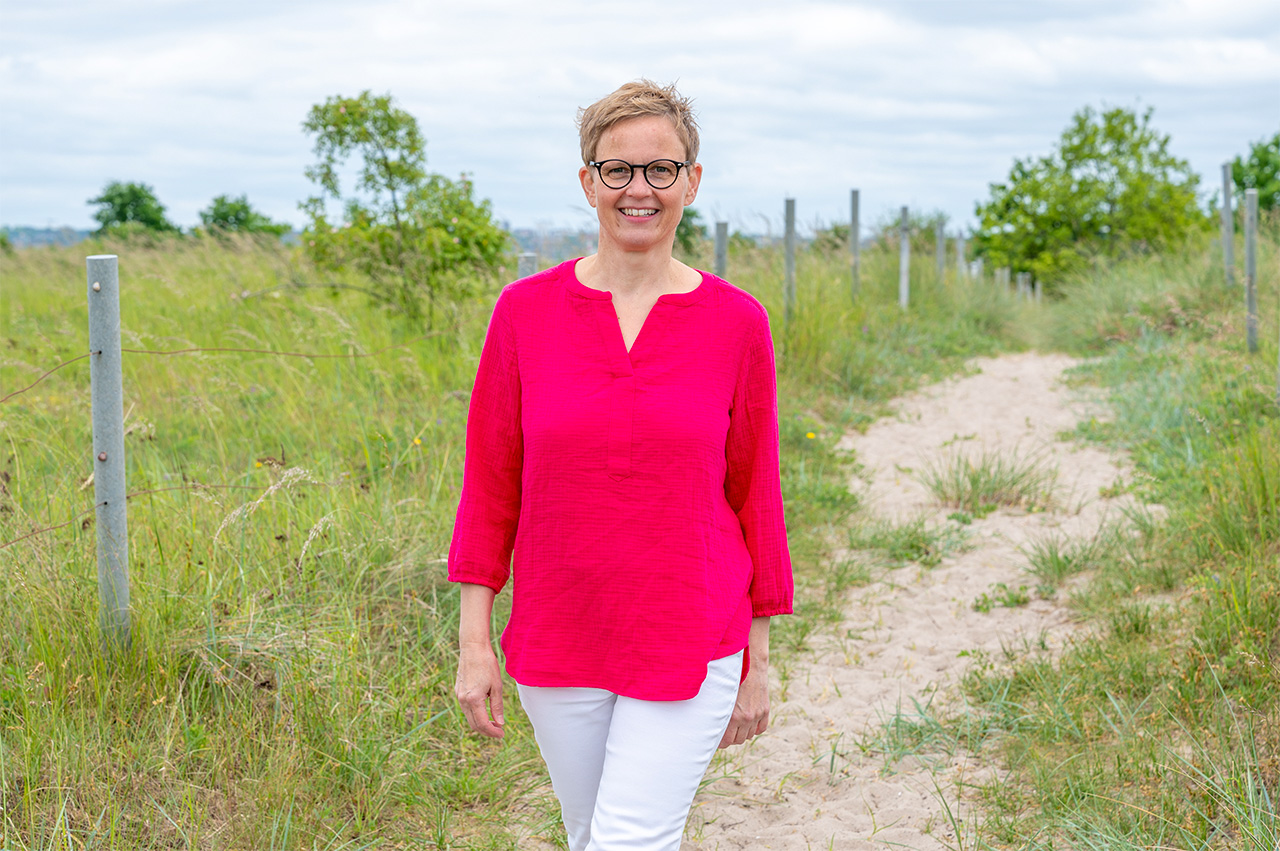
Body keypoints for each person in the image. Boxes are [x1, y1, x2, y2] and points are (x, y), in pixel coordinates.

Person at [449, 79, 792, 851]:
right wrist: (476, 645)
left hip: (690, 630)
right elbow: (490, 487)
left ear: (691, 182)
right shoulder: (523, 314)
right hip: (559, 631)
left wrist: (758, 656)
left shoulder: (738, 323)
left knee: (630, 838)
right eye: (617, 170)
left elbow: (756, 493)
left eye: (661, 169)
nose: (639, 189)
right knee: (588, 832)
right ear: (588, 182)